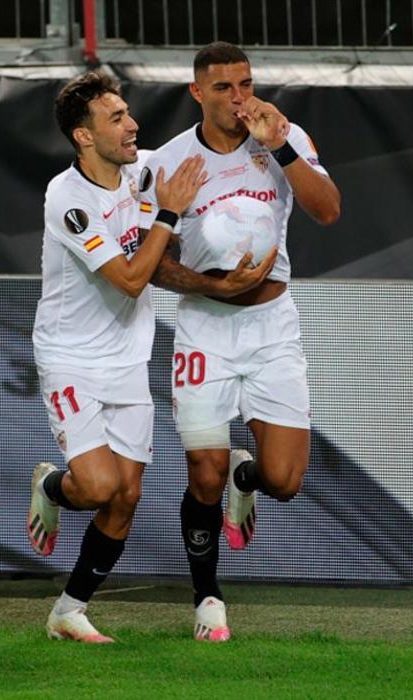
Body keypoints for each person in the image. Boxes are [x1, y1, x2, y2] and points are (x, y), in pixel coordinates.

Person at [137, 42, 340, 641]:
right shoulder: (168, 161)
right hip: (204, 326)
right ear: (197, 93)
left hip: (273, 328)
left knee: (285, 481)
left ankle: (244, 481)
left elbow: (328, 211)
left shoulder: (283, 137)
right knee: (203, 472)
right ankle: (207, 600)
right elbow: (149, 262)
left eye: (245, 84)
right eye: (223, 88)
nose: (239, 98)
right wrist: (212, 285)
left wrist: (278, 146)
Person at [26, 72, 210, 642]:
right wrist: (168, 216)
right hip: (70, 358)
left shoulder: (145, 170)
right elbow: (131, 280)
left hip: (128, 359)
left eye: (129, 113)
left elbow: (208, 149)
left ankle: (68, 610)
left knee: (127, 495)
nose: (132, 125)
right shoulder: (69, 198)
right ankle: (54, 487)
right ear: (84, 137)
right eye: (116, 118)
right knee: (100, 487)